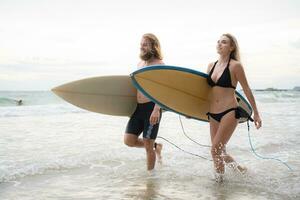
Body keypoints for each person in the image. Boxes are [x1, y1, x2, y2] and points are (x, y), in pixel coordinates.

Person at [206, 33, 262, 182]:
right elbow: (205, 91)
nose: (219, 44)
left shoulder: (235, 66)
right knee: (220, 152)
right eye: (218, 41)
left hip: (229, 111)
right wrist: (189, 110)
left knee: (214, 150)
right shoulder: (211, 66)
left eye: (224, 42)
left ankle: (219, 185)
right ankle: (239, 169)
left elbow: (247, 89)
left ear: (231, 47)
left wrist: (256, 113)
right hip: (212, 113)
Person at [124, 33, 164, 171]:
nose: (142, 47)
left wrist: (156, 110)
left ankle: (150, 180)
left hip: (151, 108)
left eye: (145, 44)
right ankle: (156, 147)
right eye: (141, 44)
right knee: (129, 141)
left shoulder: (159, 64)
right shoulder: (140, 64)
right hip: (139, 108)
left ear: (153, 47)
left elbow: (162, 89)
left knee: (148, 144)